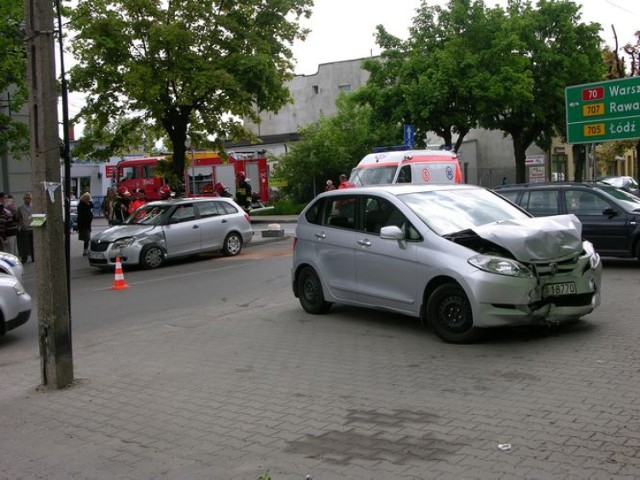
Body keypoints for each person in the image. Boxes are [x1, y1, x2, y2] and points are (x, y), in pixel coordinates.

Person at [16, 192, 34, 262]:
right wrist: (20, 225)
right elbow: (17, 217)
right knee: (25, 244)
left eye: (29, 198)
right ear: (24, 199)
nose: (28, 200)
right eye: (26, 198)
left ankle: (33, 257)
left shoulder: (33, 207)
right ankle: (24, 257)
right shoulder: (20, 207)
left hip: (32, 227)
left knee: (33, 244)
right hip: (24, 228)